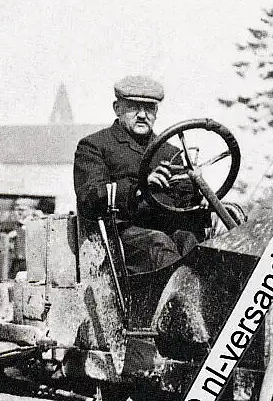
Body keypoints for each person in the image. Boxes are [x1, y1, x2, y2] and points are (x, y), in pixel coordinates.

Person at [73, 75, 212, 274]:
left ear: (156, 111)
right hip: (118, 237)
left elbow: (185, 204)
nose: (142, 115)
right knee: (159, 244)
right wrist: (139, 188)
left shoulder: (170, 152)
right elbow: (90, 196)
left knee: (191, 242)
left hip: (165, 232)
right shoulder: (95, 146)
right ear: (117, 108)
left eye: (149, 108)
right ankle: (181, 302)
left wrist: (201, 196)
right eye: (133, 107)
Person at [7, 197, 38, 277]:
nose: (19, 212)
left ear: (31, 210)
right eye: (17, 210)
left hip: (29, 261)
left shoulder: (35, 222)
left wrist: (18, 233)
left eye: (22, 210)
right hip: (16, 260)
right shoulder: (18, 224)